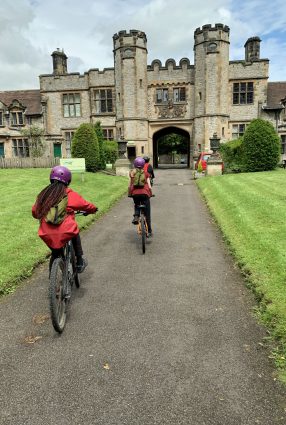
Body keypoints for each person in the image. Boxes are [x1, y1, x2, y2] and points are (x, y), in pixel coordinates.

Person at [32, 165, 97, 273]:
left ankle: (53, 281)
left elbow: (35, 212)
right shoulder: (68, 193)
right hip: (66, 231)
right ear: (68, 180)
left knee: (55, 253)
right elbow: (85, 205)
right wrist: (93, 209)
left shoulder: (44, 194)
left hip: (46, 233)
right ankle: (80, 261)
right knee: (75, 233)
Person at [129, 157, 153, 237]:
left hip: (135, 193)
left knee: (136, 204)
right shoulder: (146, 173)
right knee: (147, 213)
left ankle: (136, 216)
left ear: (135, 164)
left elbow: (130, 184)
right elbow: (149, 186)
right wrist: (151, 193)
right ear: (143, 165)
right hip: (145, 194)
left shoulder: (132, 173)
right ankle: (149, 231)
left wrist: (130, 193)